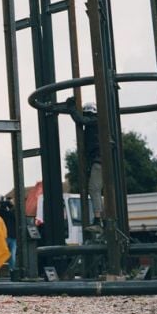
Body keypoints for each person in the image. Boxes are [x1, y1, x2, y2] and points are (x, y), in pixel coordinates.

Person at [66, 98, 103, 233]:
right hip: (99, 161)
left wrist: (71, 109)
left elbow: (81, 120)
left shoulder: (95, 121)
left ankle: (99, 221)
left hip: (99, 161)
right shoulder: (97, 124)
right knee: (96, 189)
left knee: (94, 189)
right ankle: (101, 220)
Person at [0, 196, 18, 271]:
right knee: (12, 255)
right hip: (13, 236)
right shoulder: (13, 213)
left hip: (6, 235)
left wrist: (3, 204)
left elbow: (1, 212)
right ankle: (12, 270)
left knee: (1, 253)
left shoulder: (3, 213)